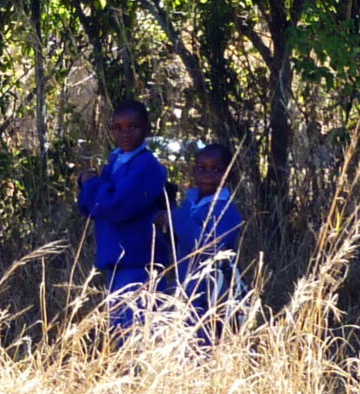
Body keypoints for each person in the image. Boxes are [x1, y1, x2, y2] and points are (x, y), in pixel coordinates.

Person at [77, 100, 170, 342]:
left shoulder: (147, 166)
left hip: (138, 261)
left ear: (147, 129)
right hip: (117, 260)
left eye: (133, 127)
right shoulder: (116, 161)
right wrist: (94, 191)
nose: (125, 133)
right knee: (119, 330)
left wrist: (91, 184)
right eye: (118, 128)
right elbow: (90, 208)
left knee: (133, 334)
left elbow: (117, 206)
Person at [171, 143, 244, 345]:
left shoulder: (226, 210)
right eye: (201, 168)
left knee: (204, 343)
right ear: (194, 170)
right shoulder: (191, 200)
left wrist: (172, 221)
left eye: (216, 169)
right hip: (186, 285)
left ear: (228, 174)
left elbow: (206, 243)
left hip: (211, 291)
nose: (208, 174)